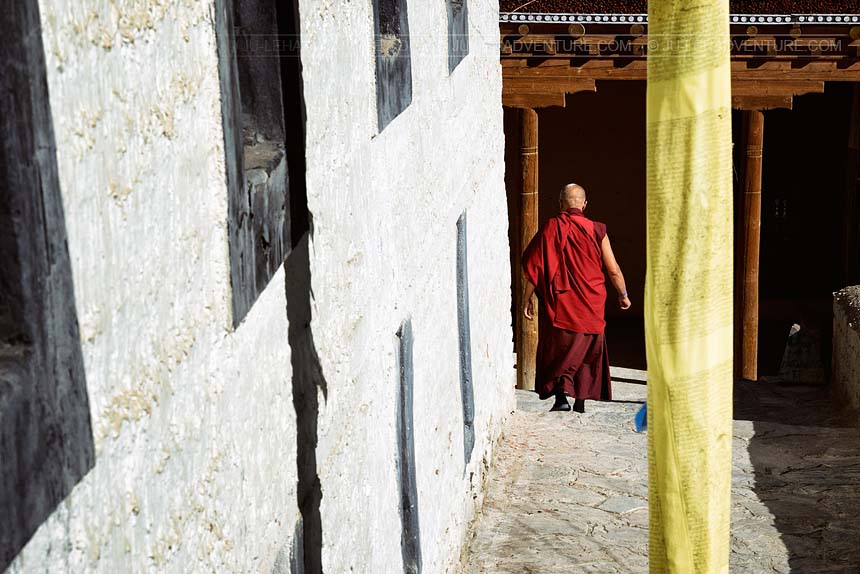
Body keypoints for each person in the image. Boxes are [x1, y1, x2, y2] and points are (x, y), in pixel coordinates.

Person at [521, 183, 631, 413]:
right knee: (588, 347)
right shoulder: (596, 230)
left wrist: (526, 298)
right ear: (584, 204)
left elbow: (535, 265)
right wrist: (623, 294)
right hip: (591, 300)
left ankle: (561, 395)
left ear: (561, 204)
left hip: (562, 302)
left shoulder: (552, 226)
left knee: (562, 347)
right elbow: (613, 269)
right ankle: (581, 397)